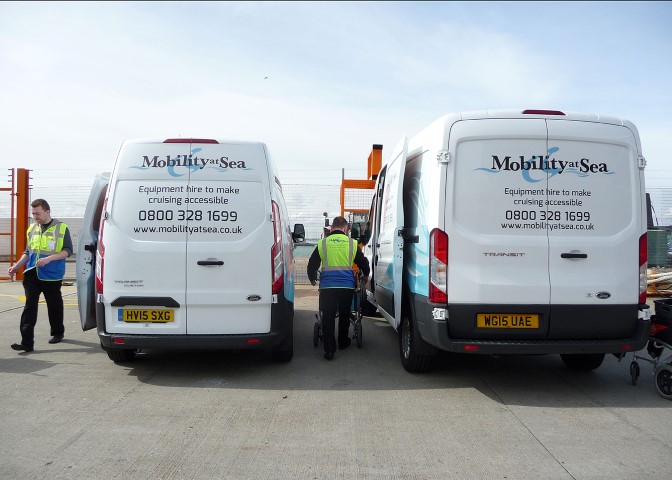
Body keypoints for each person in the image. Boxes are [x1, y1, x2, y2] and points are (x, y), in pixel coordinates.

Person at [8, 199, 73, 353]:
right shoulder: (32, 229)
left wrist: (49, 258)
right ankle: (26, 343)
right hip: (32, 274)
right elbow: (27, 252)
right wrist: (16, 266)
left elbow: (67, 251)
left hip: (52, 275)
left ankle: (57, 332)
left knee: (54, 305)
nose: (35, 216)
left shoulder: (62, 228)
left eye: (37, 213)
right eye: (33, 213)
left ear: (47, 211)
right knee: (29, 307)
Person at [307, 216, 370, 360]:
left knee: (328, 316)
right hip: (346, 287)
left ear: (332, 228)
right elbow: (363, 262)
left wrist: (312, 278)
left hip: (327, 287)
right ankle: (342, 341)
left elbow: (312, 263)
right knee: (344, 314)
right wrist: (365, 275)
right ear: (345, 228)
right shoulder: (352, 244)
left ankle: (329, 350)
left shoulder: (323, 243)